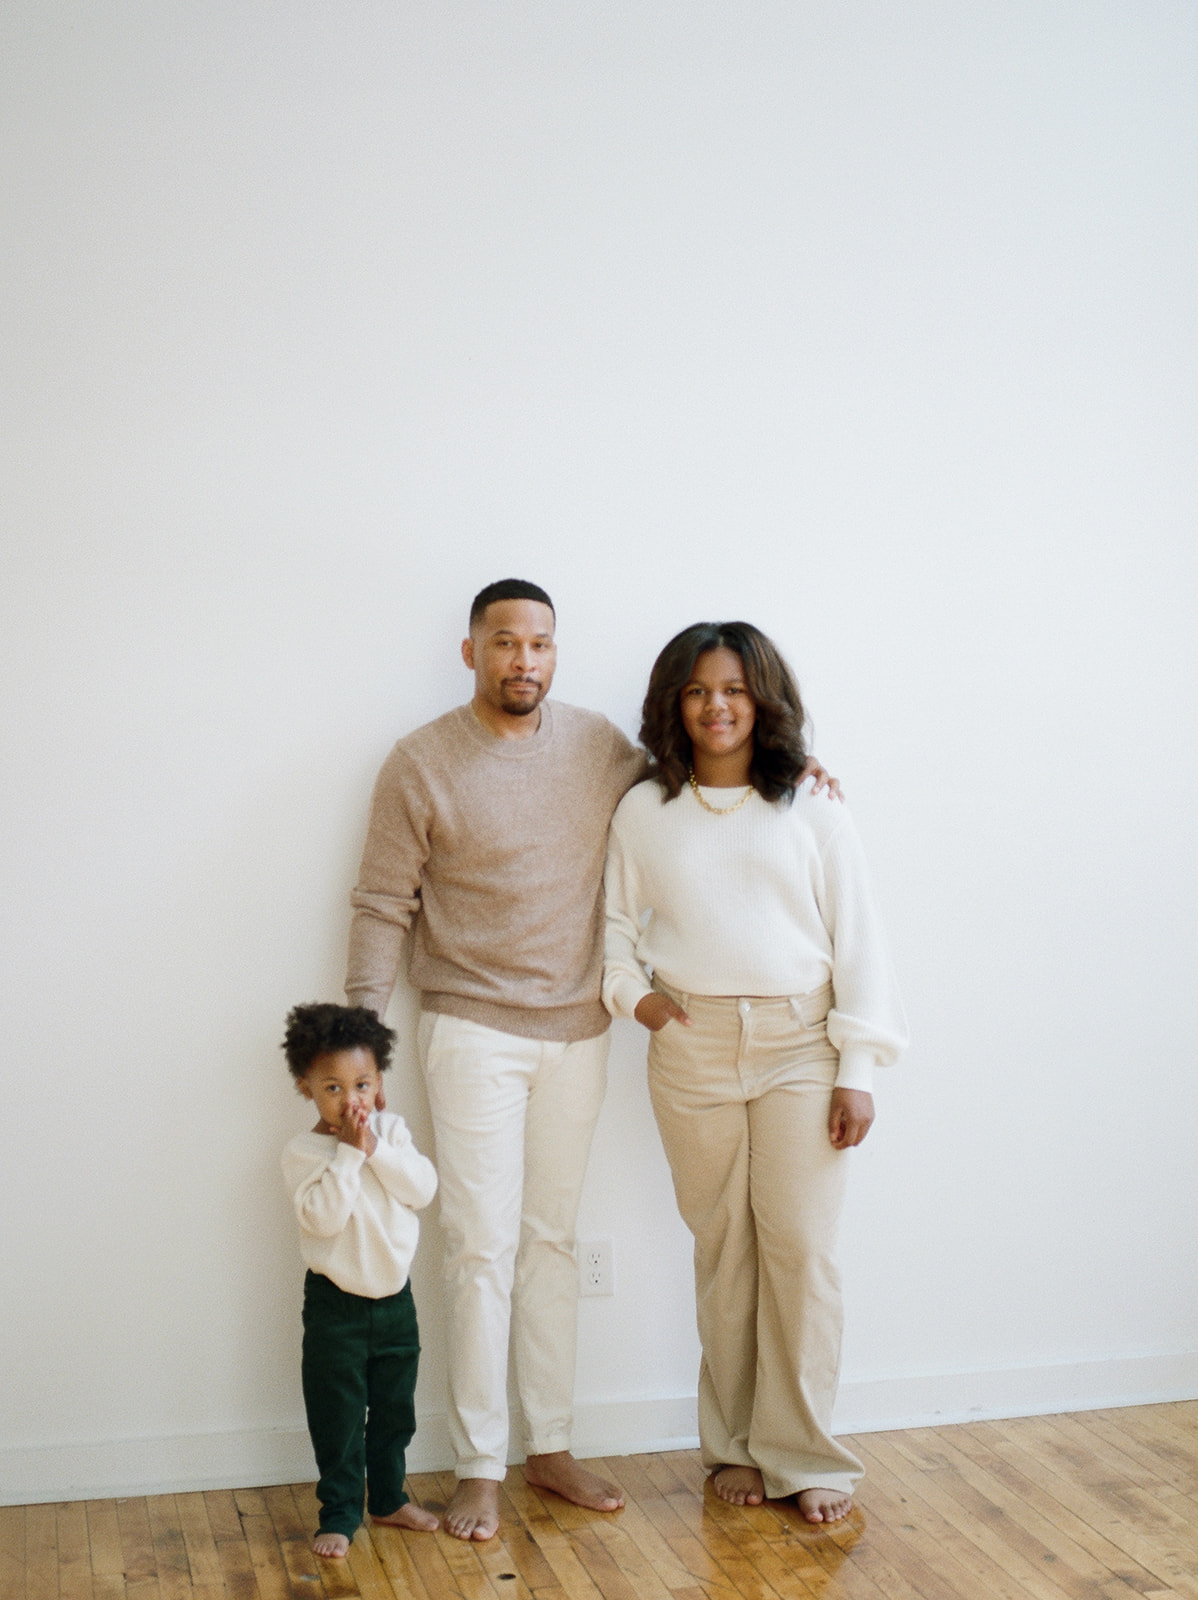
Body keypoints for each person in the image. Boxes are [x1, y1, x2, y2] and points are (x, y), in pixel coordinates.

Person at [346, 583, 838, 1540]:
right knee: (479, 1248)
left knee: (552, 1244)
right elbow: (380, 905)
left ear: (556, 654)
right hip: (472, 1029)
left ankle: (552, 1446)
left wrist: (801, 766)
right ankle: (481, 1465)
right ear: (471, 652)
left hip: (578, 1032)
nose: (523, 661)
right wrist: (362, 1044)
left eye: (540, 644)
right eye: (504, 644)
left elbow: (704, 776)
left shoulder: (602, 751)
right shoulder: (420, 762)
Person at [603, 622, 907, 1525]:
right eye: (697, 691)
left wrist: (858, 1067)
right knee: (723, 1250)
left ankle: (808, 1455)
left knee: (801, 1253)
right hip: (688, 1045)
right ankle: (736, 1445)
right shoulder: (643, 808)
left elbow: (861, 946)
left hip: (800, 1045)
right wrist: (639, 1001)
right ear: (674, 704)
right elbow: (615, 931)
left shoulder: (813, 807)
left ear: (762, 698)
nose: (717, 706)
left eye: (733, 689)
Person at [281, 1002, 440, 1556]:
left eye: (363, 1084)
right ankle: (341, 1512)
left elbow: (421, 1190)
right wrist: (349, 1157)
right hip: (335, 1307)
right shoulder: (305, 1153)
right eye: (332, 1088)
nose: (352, 1100)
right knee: (339, 1416)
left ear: (379, 1082)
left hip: (396, 1301)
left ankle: (389, 1497)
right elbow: (322, 1218)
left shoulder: (392, 1132)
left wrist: (374, 1149)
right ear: (307, 1089)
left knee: (395, 1410)